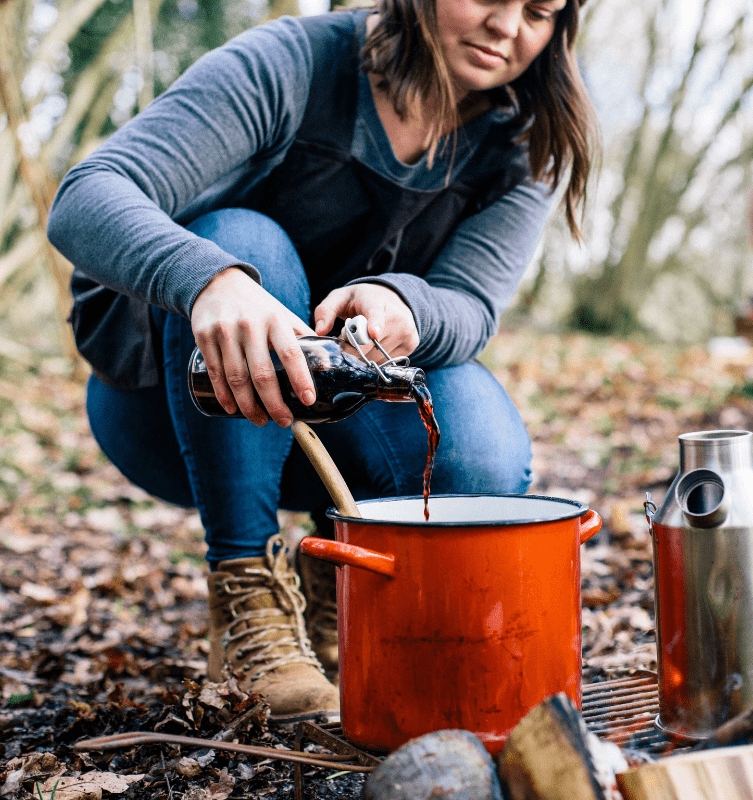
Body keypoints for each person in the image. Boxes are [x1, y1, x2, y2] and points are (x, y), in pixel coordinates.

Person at [48, 0, 597, 723]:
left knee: (486, 452)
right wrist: (210, 279)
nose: (508, 26)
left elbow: (470, 303)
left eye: (540, 10)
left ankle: (336, 588)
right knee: (249, 239)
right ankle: (247, 598)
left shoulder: (531, 129)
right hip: (170, 406)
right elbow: (85, 197)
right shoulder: (293, 64)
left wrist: (406, 306)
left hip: (337, 425)